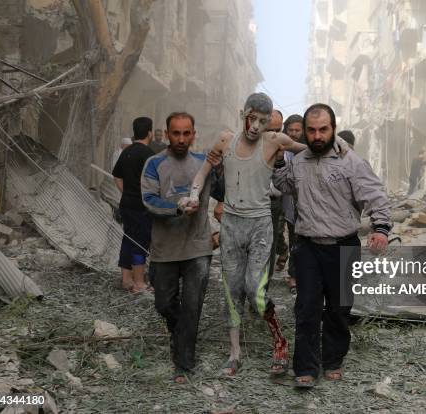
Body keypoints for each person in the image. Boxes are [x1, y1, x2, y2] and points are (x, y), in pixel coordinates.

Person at [186, 93, 307, 377]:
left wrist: (334, 144)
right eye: (253, 119)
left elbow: (309, 147)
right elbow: (202, 173)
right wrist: (192, 196)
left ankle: (279, 341)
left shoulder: (274, 141)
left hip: (260, 225)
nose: (256, 127)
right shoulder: (225, 141)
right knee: (232, 289)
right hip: (231, 224)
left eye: (263, 122)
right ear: (244, 113)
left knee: (255, 288)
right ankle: (234, 353)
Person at [273, 103, 391, 387]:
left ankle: (333, 360)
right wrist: (277, 159)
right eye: (311, 130)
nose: (316, 136)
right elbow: (282, 184)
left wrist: (381, 228)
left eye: (322, 129)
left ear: (333, 129)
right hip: (308, 246)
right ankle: (306, 368)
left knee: (339, 308)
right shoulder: (298, 161)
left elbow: (374, 195)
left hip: (344, 246)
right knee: (307, 307)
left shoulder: (352, 162)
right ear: (305, 131)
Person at [140, 112, 224, 382]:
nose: (181, 139)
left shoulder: (204, 163)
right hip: (164, 249)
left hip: (198, 247)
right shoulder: (154, 163)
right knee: (164, 304)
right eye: (176, 133)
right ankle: (180, 334)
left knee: (192, 306)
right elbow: (149, 200)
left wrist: (220, 169)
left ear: (193, 134)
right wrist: (176, 207)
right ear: (166, 134)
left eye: (186, 133)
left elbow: (223, 193)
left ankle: (183, 363)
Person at [112, 117, 155, 293]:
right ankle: (139, 283)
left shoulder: (126, 152)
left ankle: (126, 280)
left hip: (126, 203)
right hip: (141, 206)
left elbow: (116, 176)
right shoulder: (148, 155)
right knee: (140, 241)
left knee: (128, 238)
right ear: (150, 133)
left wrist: (126, 192)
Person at [281, 114, 304, 294]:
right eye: (291, 130)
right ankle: (293, 273)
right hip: (282, 201)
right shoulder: (279, 147)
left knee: (299, 240)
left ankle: (296, 275)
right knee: (290, 238)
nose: (294, 134)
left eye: (298, 130)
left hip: (303, 204)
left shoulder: (306, 150)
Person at [265, 109, 289, 279]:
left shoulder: (286, 149)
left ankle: (262, 287)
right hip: (253, 204)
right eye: (269, 130)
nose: (273, 135)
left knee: (273, 239)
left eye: (277, 131)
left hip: (276, 203)